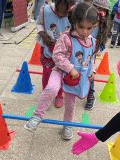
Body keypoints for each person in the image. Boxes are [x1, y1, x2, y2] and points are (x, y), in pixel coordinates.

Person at [24, 2, 99, 140]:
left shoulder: (92, 41)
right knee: (51, 88)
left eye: (89, 28)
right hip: (60, 71)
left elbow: (91, 58)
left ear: (94, 26)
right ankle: (37, 116)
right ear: (74, 22)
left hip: (75, 78)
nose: (84, 31)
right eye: (81, 27)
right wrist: (70, 68)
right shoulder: (66, 37)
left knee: (71, 104)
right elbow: (57, 56)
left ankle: (67, 125)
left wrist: (92, 70)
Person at [36, 0, 75, 108]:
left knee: (62, 74)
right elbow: (39, 24)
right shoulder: (45, 10)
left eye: (67, 10)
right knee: (47, 73)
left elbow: (75, 31)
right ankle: (46, 96)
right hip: (48, 49)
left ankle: (59, 95)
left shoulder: (73, 13)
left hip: (64, 53)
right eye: (63, 8)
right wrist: (44, 36)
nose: (63, 14)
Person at [84, 0, 110, 110]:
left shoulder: (104, 25)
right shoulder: (85, 18)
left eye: (102, 10)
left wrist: (100, 48)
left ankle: (90, 95)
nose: (99, 11)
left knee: (90, 73)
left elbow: (104, 39)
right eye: (97, 8)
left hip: (92, 53)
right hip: (80, 49)